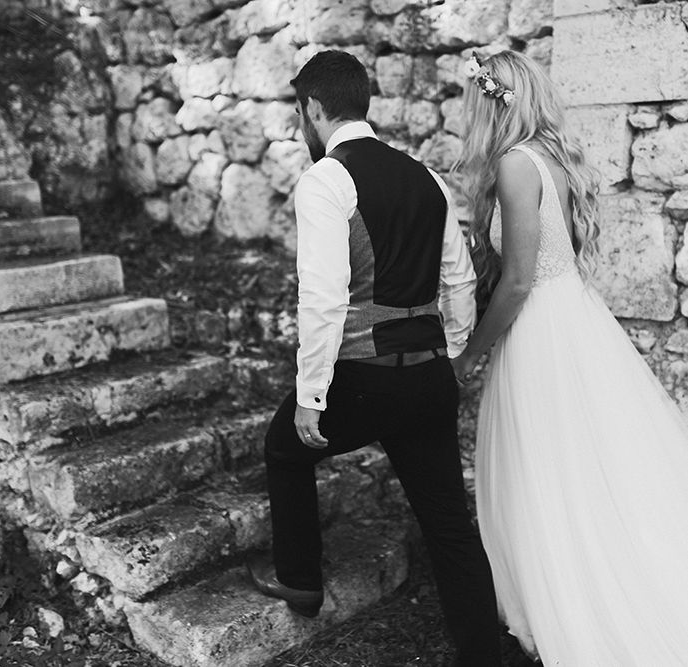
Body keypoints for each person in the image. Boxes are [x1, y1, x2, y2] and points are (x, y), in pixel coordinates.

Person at [247, 50, 503, 666]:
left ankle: (302, 580)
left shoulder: (327, 180)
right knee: (447, 523)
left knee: (285, 447)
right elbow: (460, 281)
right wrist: (457, 353)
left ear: (312, 109)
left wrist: (312, 396)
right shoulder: (426, 177)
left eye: (301, 114)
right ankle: (485, 657)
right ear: (364, 102)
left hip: (362, 380)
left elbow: (324, 300)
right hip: (429, 377)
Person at [452, 49, 688, 665]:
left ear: (490, 100)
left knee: (546, 460)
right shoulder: (552, 157)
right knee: (585, 459)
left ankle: (572, 590)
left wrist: (469, 355)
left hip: (539, 328)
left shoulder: (513, 163)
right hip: (573, 316)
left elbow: (520, 280)